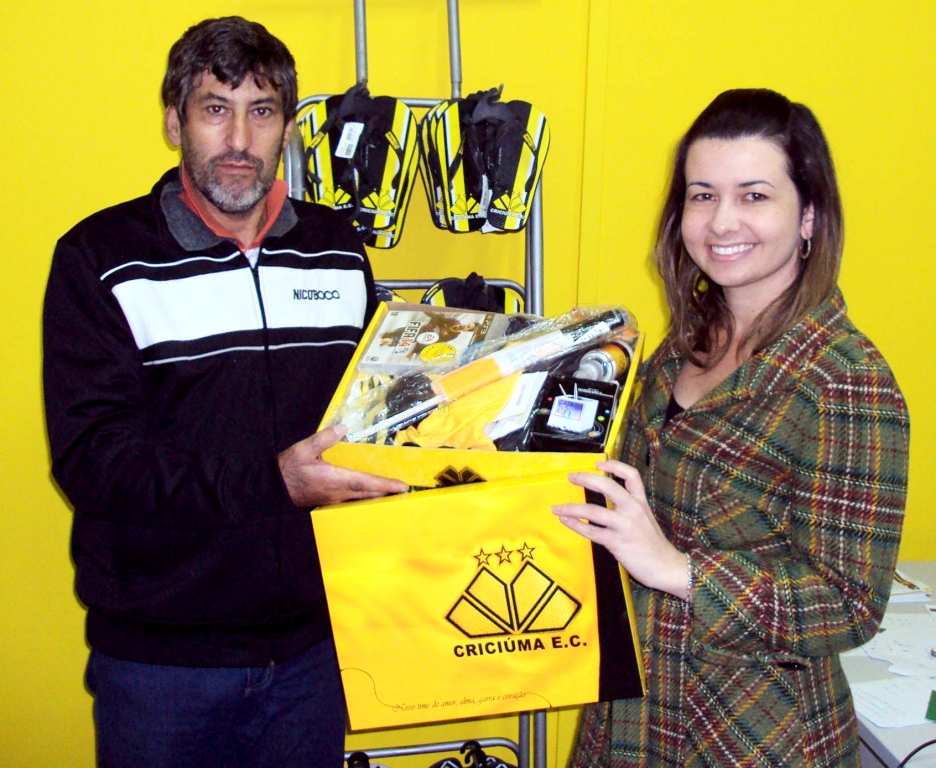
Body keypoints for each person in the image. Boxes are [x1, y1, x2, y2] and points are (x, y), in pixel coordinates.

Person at [42, 16, 407, 768]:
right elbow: (92, 461)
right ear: (175, 121)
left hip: (313, 652)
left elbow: (376, 414)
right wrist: (273, 483)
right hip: (160, 666)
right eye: (215, 109)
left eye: (261, 111)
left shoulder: (338, 252)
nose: (239, 139)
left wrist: (540, 363)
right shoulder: (100, 259)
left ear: (288, 130)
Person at [553, 89, 910, 767]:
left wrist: (679, 570)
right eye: (702, 196)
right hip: (630, 716)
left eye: (754, 196)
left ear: (808, 215)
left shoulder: (843, 379)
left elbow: (850, 604)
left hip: (752, 736)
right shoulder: (681, 347)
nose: (721, 221)